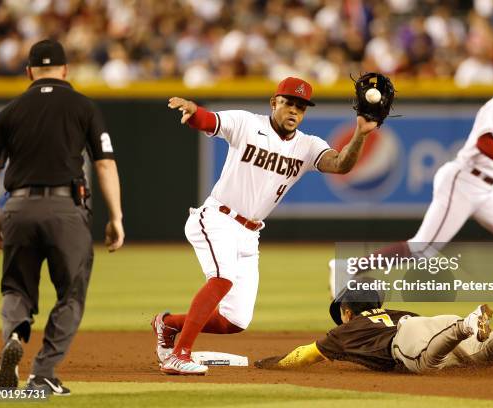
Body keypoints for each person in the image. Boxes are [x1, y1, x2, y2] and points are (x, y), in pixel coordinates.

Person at [151, 77, 379, 375]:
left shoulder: (308, 145)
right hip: (218, 217)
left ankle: (168, 325)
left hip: (250, 233)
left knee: (235, 321)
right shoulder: (246, 123)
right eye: (288, 103)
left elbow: (340, 165)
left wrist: (360, 134)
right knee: (221, 279)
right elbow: (208, 121)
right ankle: (178, 355)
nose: (294, 110)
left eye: (301, 106)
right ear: (275, 103)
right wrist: (194, 111)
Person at [329, 57, 493, 334]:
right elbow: (484, 143)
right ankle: (349, 265)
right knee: (422, 248)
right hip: (462, 181)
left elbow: (492, 151)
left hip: (486, 186)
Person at [0, 39, 124, 395]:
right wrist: (116, 217)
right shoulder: (82, 106)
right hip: (66, 209)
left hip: (18, 207)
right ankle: (42, 373)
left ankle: (14, 336)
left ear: (29, 71)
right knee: (71, 294)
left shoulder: (10, 111)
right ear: (65, 70)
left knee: (17, 288)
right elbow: (104, 163)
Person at [254, 284, 493, 374]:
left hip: (406, 340)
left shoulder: (346, 330)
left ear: (347, 311)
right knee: (477, 359)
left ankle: (469, 322)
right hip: (429, 323)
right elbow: (422, 328)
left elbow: (306, 355)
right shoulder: (394, 312)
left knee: (425, 366)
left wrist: (273, 364)